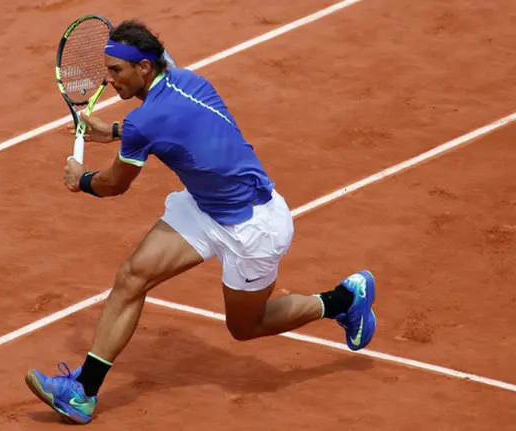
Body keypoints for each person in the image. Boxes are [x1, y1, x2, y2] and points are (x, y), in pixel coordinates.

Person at [25, 20, 377, 424]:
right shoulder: (185, 80)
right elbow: (174, 125)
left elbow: (113, 185)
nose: (109, 79)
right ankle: (83, 392)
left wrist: (81, 180)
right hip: (206, 205)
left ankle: (344, 301)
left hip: (253, 228)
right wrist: (116, 132)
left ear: (143, 68)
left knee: (246, 326)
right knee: (132, 276)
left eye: (116, 71)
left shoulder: (145, 123)